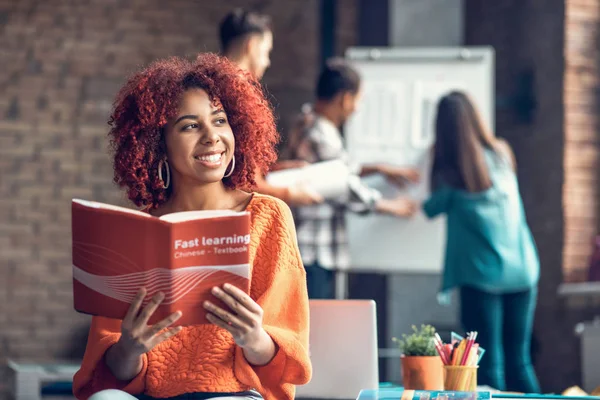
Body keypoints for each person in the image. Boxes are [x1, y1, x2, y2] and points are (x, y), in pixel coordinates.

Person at [72, 54, 311, 400]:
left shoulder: (268, 216)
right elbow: (109, 374)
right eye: (189, 125)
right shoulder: (137, 230)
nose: (212, 137)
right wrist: (129, 348)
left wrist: (253, 337)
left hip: (234, 395)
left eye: (220, 120)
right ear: (158, 143)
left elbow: (284, 362)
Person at [422, 91, 540, 393]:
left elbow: (428, 208)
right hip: (523, 270)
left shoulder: (452, 176)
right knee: (520, 361)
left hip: (481, 277)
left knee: (489, 364)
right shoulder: (502, 154)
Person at [286, 58, 420, 299]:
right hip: (314, 250)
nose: (357, 108)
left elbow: (338, 168)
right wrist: (389, 206)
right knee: (315, 328)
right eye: (358, 100)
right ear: (345, 98)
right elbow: (342, 184)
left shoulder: (311, 124)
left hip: (316, 250)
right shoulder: (319, 132)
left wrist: (380, 169)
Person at [218, 8, 322, 207]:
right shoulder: (238, 93)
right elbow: (244, 184)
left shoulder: (206, 85)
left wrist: (275, 170)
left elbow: (234, 167)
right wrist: (289, 194)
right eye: (266, 52)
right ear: (252, 45)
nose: (267, 62)